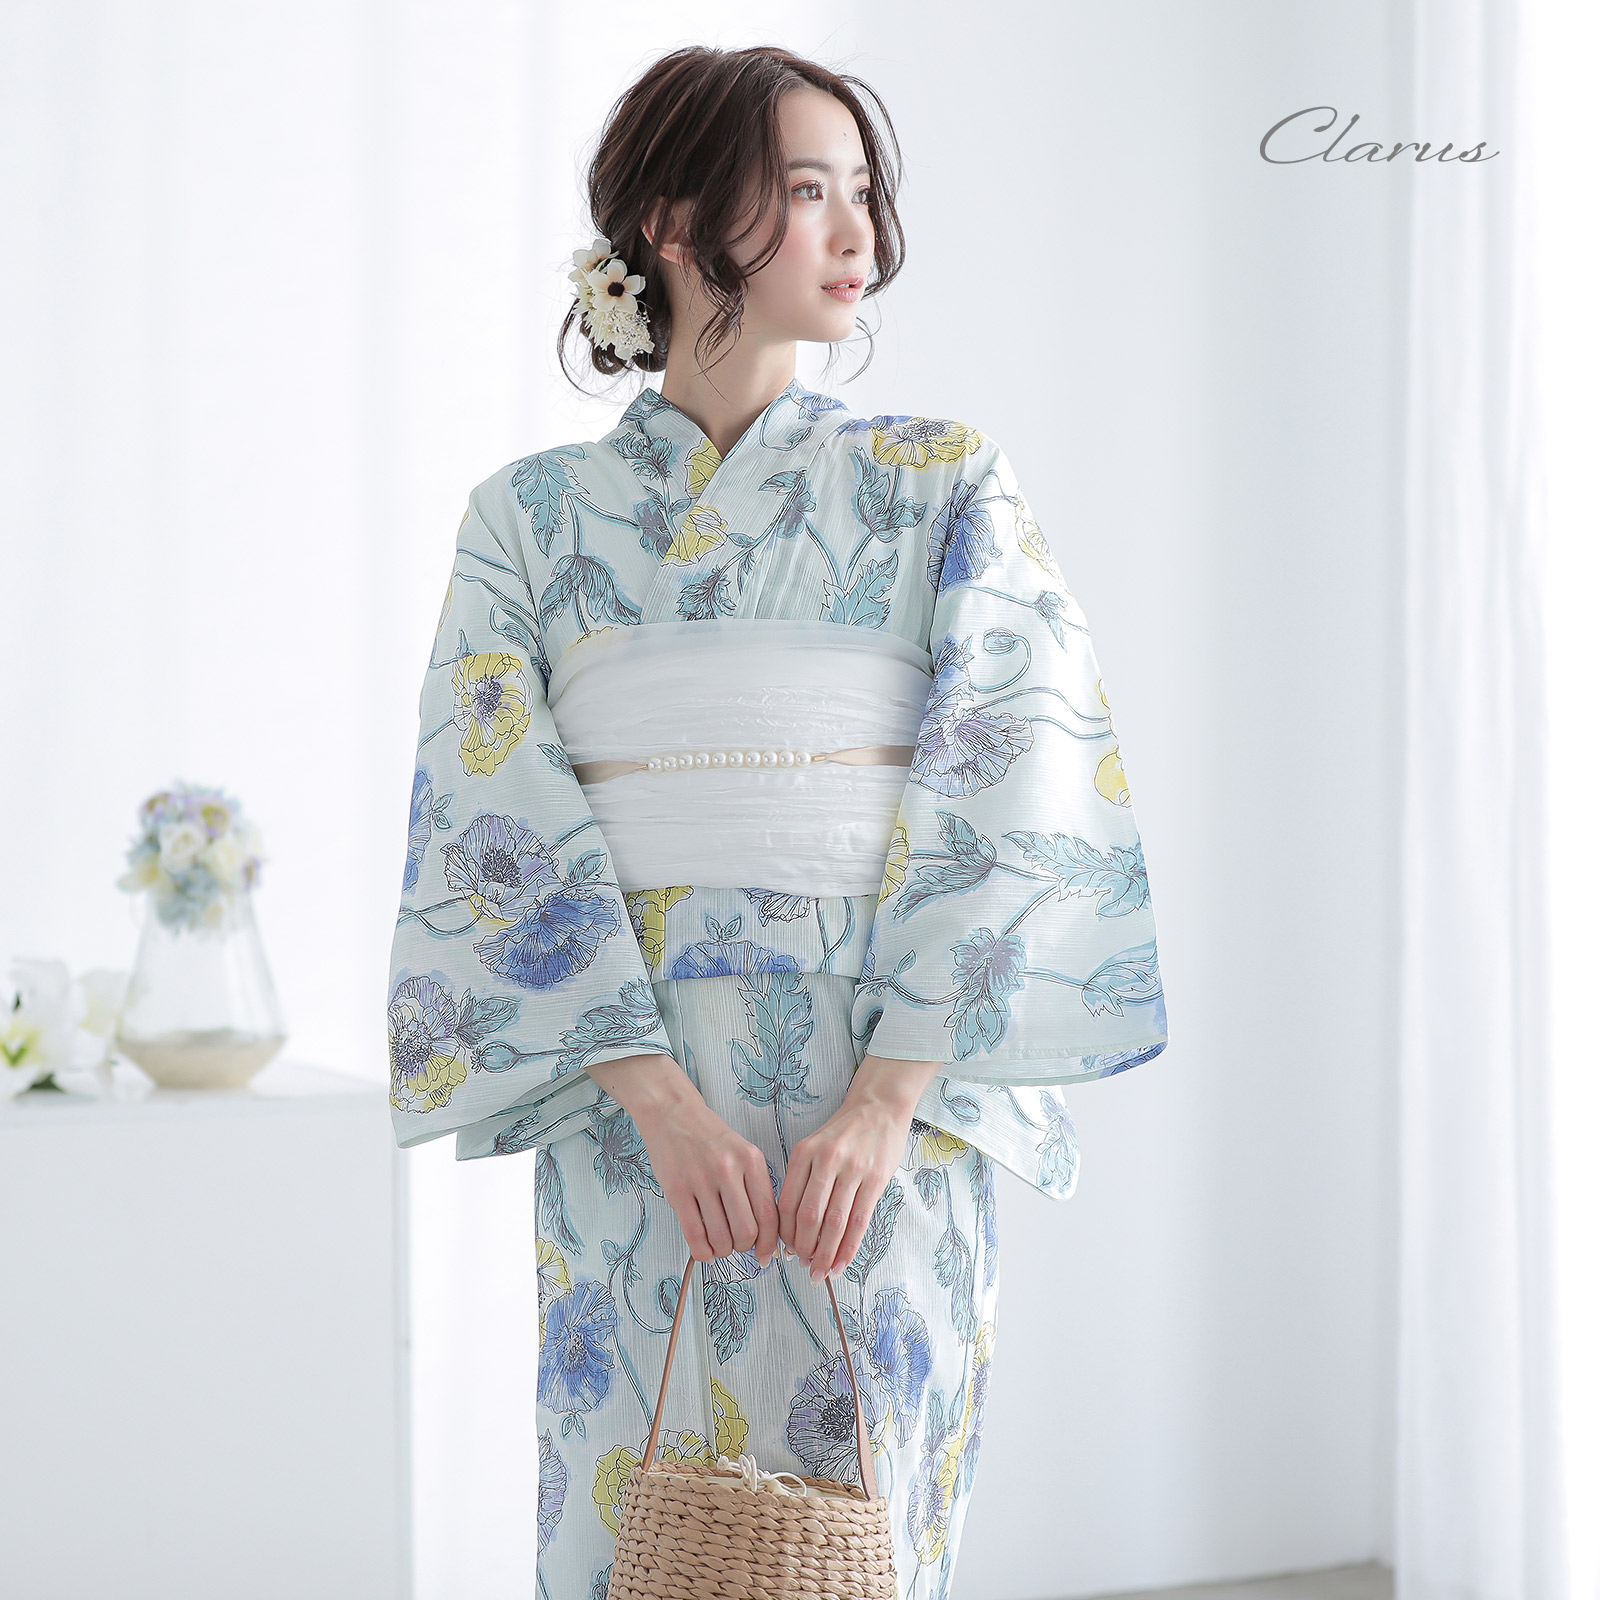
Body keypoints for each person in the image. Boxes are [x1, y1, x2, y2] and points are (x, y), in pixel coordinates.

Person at [386, 42, 1166, 1600]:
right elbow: (494, 812)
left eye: (862, 191)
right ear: (675, 225)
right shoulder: (529, 523)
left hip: (880, 1110)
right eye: (809, 192)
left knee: (870, 1536)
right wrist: (657, 1103)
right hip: (637, 1108)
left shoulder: (943, 486)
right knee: (632, 1528)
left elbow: (1018, 772)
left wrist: (885, 1102)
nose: (859, 233)